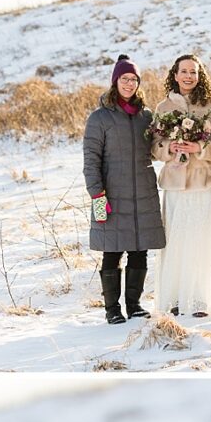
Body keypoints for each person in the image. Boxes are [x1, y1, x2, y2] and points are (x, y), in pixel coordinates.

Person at [83, 55, 165, 323]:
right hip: (111, 195)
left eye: (134, 79)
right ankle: (112, 309)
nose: (129, 84)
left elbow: (155, 150)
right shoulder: (100, 118)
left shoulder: (146, 116)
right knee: (113, 250)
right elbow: (91, 161)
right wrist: (97, 195)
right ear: (115, 81)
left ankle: (134, 304)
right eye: (124, 79)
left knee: (140, 249)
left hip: (143, 192)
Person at [151, 53, 211, 317]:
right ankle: (174, 298)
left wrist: (199, 147)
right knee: (176, 241)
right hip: (174, 183)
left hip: (204, 182)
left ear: (200, 75)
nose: (188, 76)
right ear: (175, 74)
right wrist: (169, 148)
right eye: (184, 71)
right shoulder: (163, 108)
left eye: (193, 72)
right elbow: (154, 145)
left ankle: (199, 301)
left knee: (202, 240)